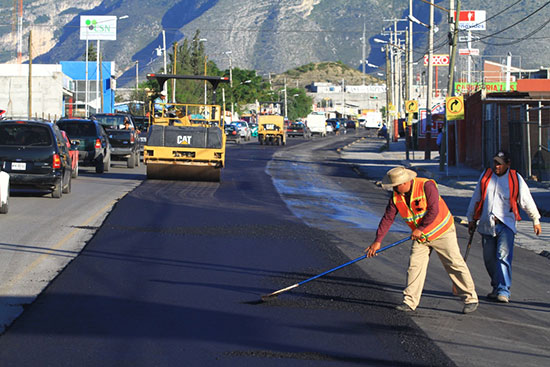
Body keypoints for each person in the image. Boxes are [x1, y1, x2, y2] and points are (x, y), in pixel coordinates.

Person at [365, 166, 479, 314]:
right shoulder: (396, 196)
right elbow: (388, 218)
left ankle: (470, 298)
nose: (393, 189)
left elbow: (434, 209)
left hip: (442, 231)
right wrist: (378, 240)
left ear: (404, 182)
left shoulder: (426, 186)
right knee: (414, 266)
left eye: (395, 186)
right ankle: (409, 301)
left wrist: (421, 228)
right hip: (421, 237)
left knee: (454, 263)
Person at [466, 150, 541, 303]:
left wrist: (535, 219)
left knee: (502, 256)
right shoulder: (486, 176)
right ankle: (496, 286)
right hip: (487, 224)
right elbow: (476, 197)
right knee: (489, 259)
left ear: (508, 164)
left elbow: (526, 200)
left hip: (506, 224)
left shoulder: (515, 178)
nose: (497, 166)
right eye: (495, 163)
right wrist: (471, 218)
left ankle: (503, 290)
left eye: (500, 164)